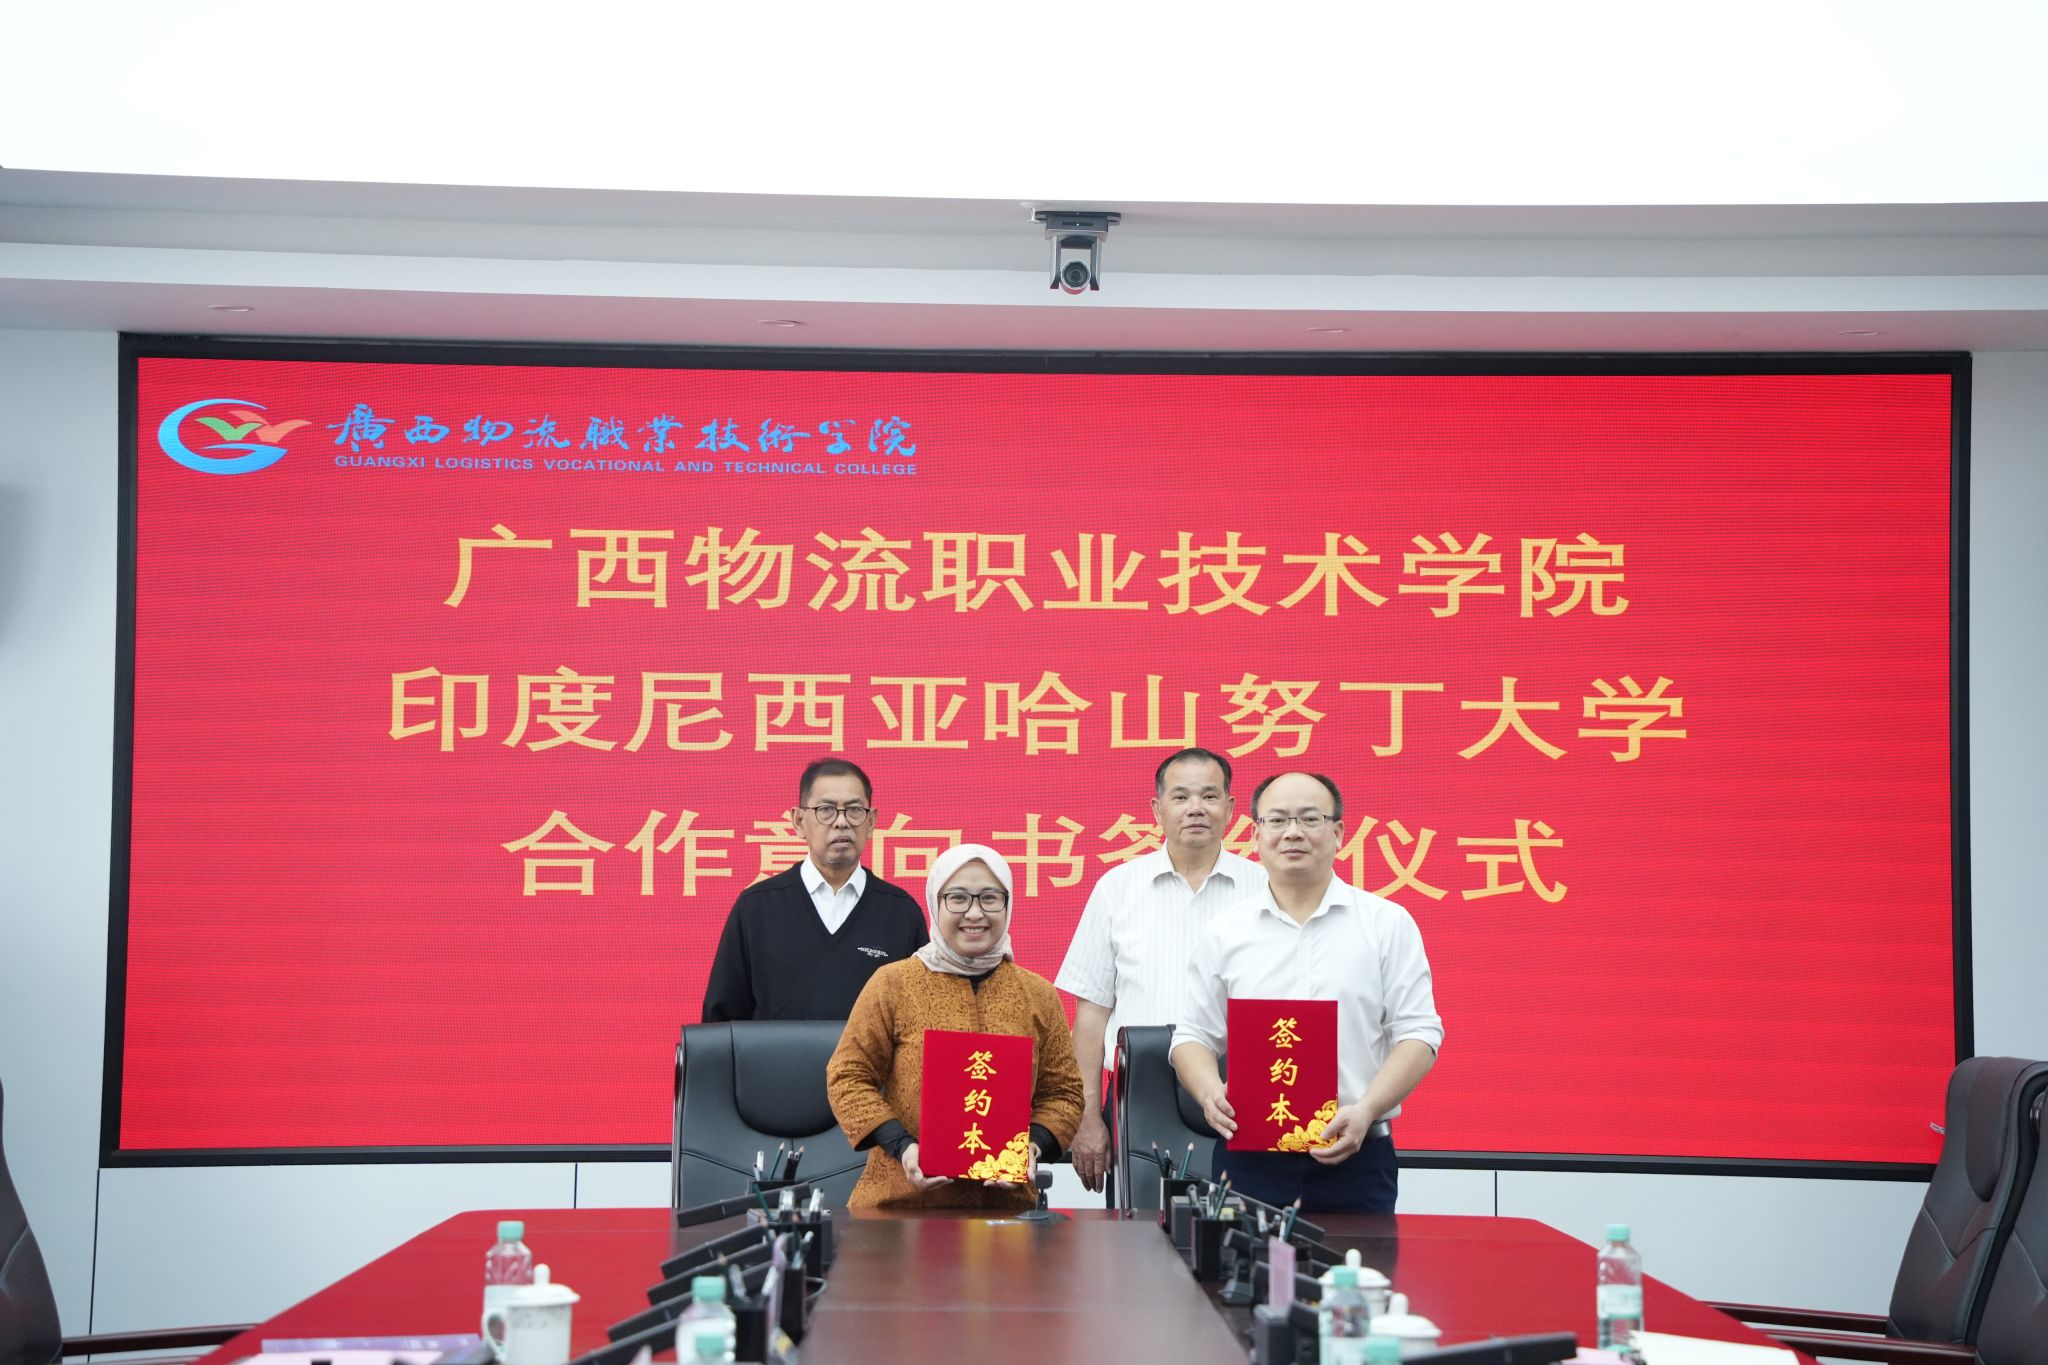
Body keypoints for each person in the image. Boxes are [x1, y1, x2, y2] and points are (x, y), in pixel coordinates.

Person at [1170, 771, 1442, 1214]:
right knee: (1238, 1263)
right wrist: (1208, 1092)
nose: (1292, 832)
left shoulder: (1386, 924)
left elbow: (1419, 1033)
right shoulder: (1225, 932)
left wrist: (1367, 1108)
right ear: (1255, 835)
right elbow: (1193, 1036)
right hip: (1248, 1158)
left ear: (1338, 833)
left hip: (1356, 1155)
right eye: (1277, 820)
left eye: (1310, 819)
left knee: (1355, 1263)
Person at [1054, 748, 1267, 1198]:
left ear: (1230, 808)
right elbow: (1091, 1014)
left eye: (1210, 796)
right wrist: (1087, 1116)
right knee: (1136, 1230)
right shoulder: (1118, 888)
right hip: (1139, 1089)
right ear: (1157, 809)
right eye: (1181, 796)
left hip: (1241, 1092)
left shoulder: (1265, 888)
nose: (1196, 808)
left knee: (1243, 1225)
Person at [826, 844, 1085, 1211]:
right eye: (958, 898)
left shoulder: (1038, 994)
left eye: (990, 898)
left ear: (1008, 904)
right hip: (901, 1207)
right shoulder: (893, 984)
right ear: (936, 903)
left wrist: (1032, 1146)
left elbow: (1065, 1093)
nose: (974, 913)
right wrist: (903, 1147)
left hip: (1004, 1207)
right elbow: (847, 1076)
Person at [700, 758, 928, 1021]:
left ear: (871, 821)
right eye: (826, 810)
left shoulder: (901, 912)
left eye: (854, 810)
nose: (841, 822)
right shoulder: (756, 908)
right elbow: (722, 1022)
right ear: (799, 821)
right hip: (778, 1052)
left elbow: (921, 1016)